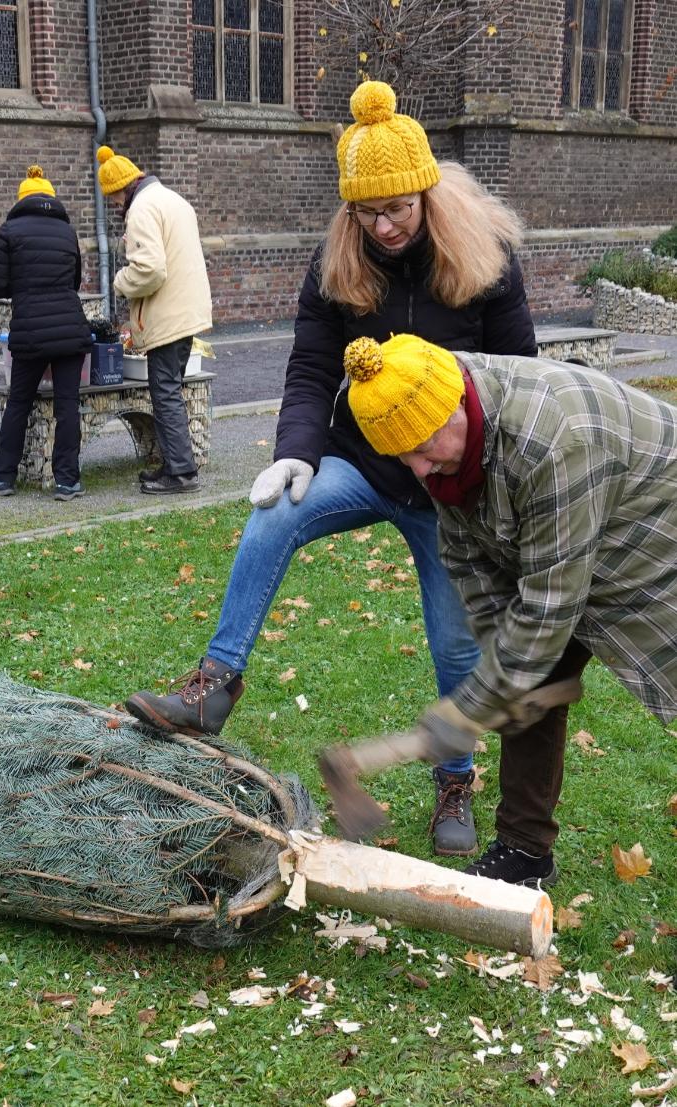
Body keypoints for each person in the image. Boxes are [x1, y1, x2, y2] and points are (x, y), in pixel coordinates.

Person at [125, 80, 538, 858]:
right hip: (361, 461)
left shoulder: (484, 258)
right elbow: (312, 365)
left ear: (424, 194)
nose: (384, 226)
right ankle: (214, 685)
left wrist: (489, 478)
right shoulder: (339, 259)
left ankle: (455, 778)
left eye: (398, 209)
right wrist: (294, 451)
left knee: (455, 643)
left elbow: (519, 376)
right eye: (367, 212)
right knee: (273, 515)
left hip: (449, 484)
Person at [340, 330, 677, 885]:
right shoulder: (433, 407)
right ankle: (524, 851)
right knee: (522, 671)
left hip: (653, 525)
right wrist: (503, 679)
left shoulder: (551, 440)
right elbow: (470, 558)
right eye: (402, 457)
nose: (418, 469)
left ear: (457, 409)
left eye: (423, 448)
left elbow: (548, 609)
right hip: (571, 530)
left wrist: (468, 709)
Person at [96, 145, 212, 495]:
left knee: (165, 395)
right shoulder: (172, 199)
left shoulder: (141, 209)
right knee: (169, 391)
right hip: (187, 311)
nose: (115, 206)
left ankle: (180, 473)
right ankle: (175, 465)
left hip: (168, 315)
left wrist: (120, 282)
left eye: (112, 199)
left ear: (119, 189)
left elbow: (150, 270)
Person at [0, 165, 92, 501]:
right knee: (67, 405)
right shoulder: (67, 232)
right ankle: (67, 481)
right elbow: (74, 281)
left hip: (30, 330)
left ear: (22, 199)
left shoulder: (9, 231)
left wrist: (22, 285)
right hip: (69, 328)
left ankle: (3, 478)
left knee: (19, 402)